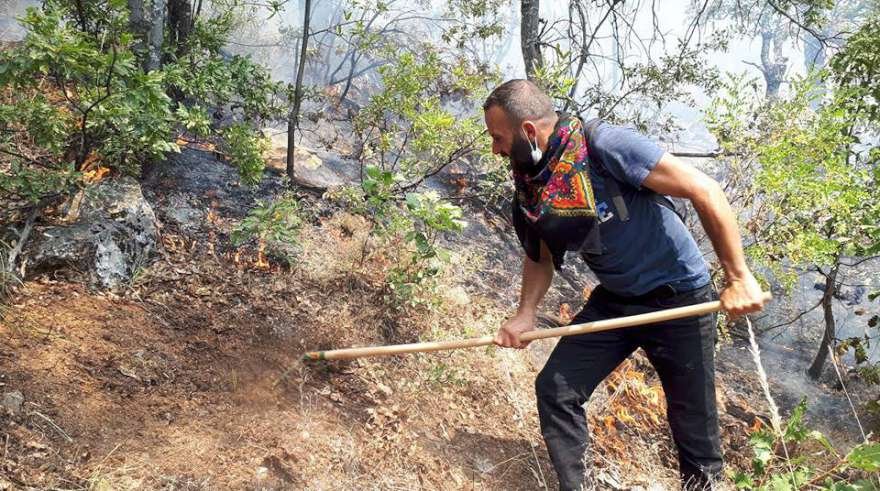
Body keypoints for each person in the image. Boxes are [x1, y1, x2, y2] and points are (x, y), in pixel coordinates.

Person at [482, 79, 766, 490]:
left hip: (679, 296)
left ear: (528, 131)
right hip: (618, 301)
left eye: (498, 138)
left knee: (693, 425)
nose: (495, 150)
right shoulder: (531, 186)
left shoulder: (604, 146)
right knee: (557, 389)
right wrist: (525, 314)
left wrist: (739, 277)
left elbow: (705, 190)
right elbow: (538, 255)